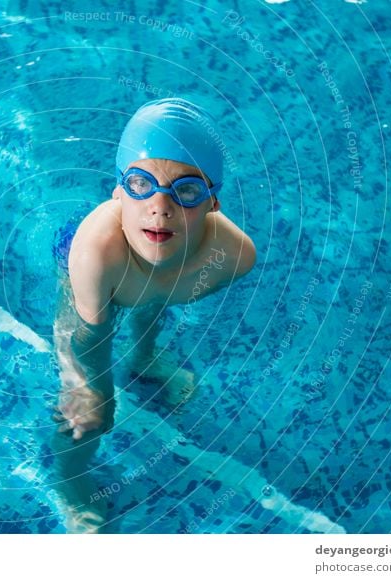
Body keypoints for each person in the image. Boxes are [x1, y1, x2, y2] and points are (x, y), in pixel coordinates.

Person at [49, 97, 256, 533]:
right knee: (92, 413)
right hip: (90, 276)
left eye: (185, 191)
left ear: (212, 202)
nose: (160, 207)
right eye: (141, 185)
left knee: (156, 295)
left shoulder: (232, 257)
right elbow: (87, 337)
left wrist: (161, 292)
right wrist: (91, 389)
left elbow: (171, 294)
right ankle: (70, 482)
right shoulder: (96, 255)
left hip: (163, 265)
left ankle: (144, 357)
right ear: (118, 191)